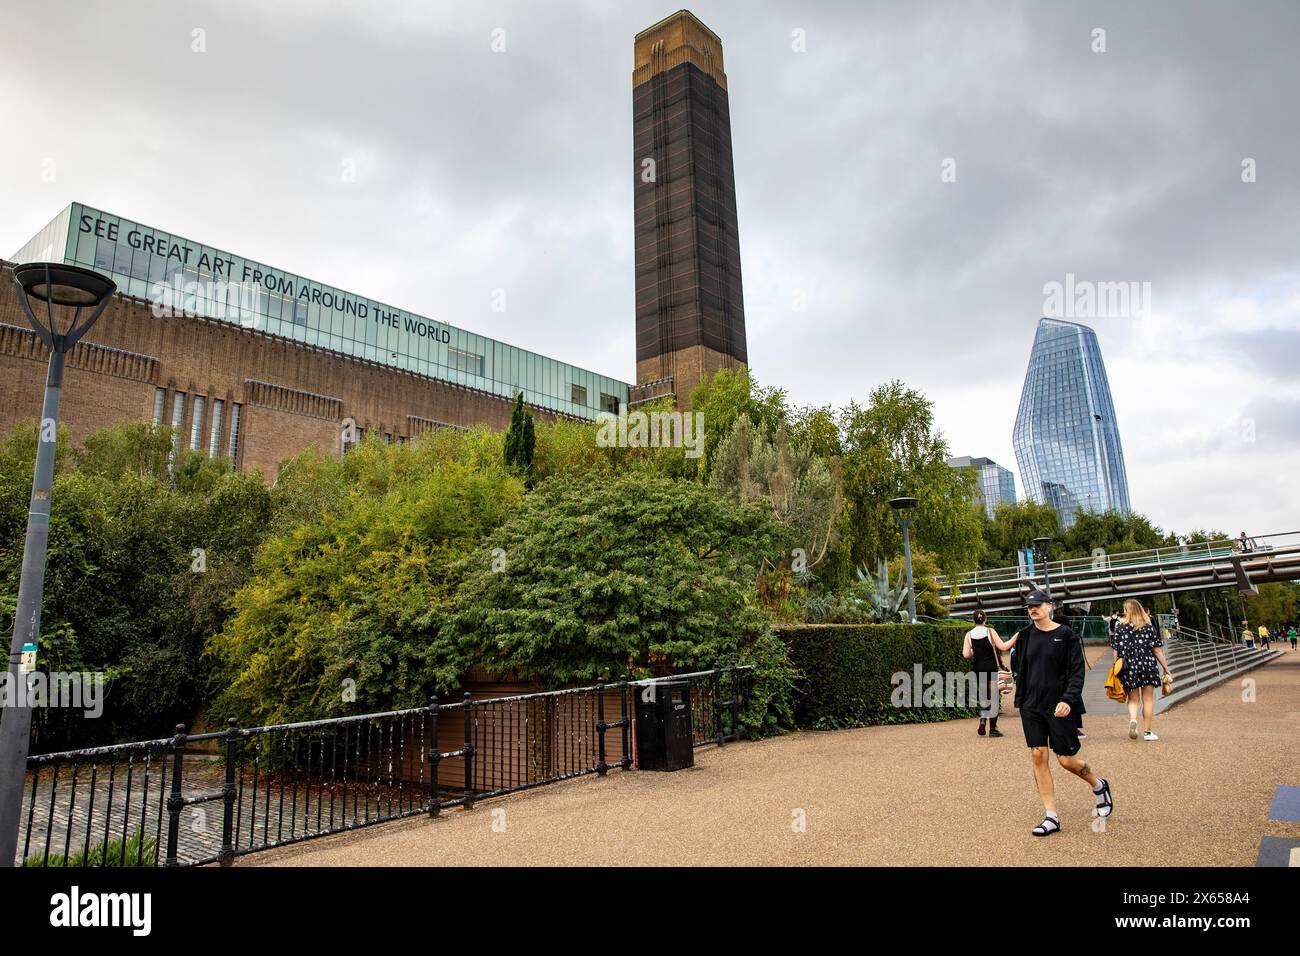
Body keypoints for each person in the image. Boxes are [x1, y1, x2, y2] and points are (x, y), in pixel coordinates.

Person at [1013, 589, 1112, 836]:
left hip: (1059, 706)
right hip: (1031, 705)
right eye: (1029, 606)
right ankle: (1051, 817)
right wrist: (1013, 683)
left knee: (1066, 760)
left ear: (1049, 607)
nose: (1032, 609)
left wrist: (1068, 699)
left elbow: (1077, 672)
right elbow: (1021, 667)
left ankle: (1099, 785)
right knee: (1038, 756)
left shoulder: (1066, 636)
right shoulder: (1024, 636)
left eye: (1037, 605)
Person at [1110, 599, 1172, 742]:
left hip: (1129, 667)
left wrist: (1115, 666)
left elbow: (1115, 650)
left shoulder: (1120, 627)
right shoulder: (1148, 627)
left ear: (1127, 611)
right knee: (1148, 699)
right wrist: (1166, 669)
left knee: (1133, 699)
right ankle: (1148, 732)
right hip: (1148, 665)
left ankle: (1133, 720)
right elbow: (1157, 650)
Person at [962, 610, 1018, 737]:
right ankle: (993, 729)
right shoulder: (990, 631)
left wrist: (973, 650)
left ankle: (982, 719)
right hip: (991, 667)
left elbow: (966, 654)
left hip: (978, 668)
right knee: (994, 697)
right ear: (985, 619)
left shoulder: (969, 635)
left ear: (973, 620)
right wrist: (1016, 636)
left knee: (984, 696)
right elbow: (1003, 647)